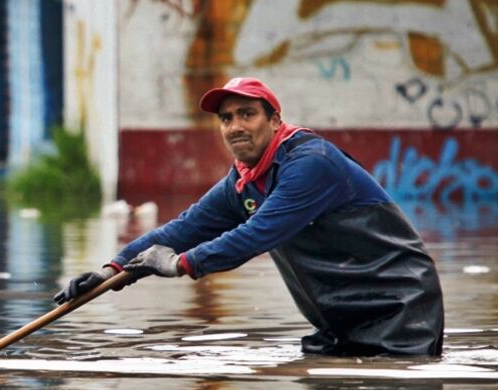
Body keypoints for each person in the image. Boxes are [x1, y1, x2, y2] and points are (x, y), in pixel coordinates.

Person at [54, 77, 444, 356]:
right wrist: (111, 271)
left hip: (400, 312)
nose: (235, 126)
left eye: (247, 114)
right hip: (338, 322)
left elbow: (257, 235)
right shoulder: (242, 181)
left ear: (275, 121)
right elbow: (185, 227)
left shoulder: (311, 163)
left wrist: (177, 265)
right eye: (226, 118)